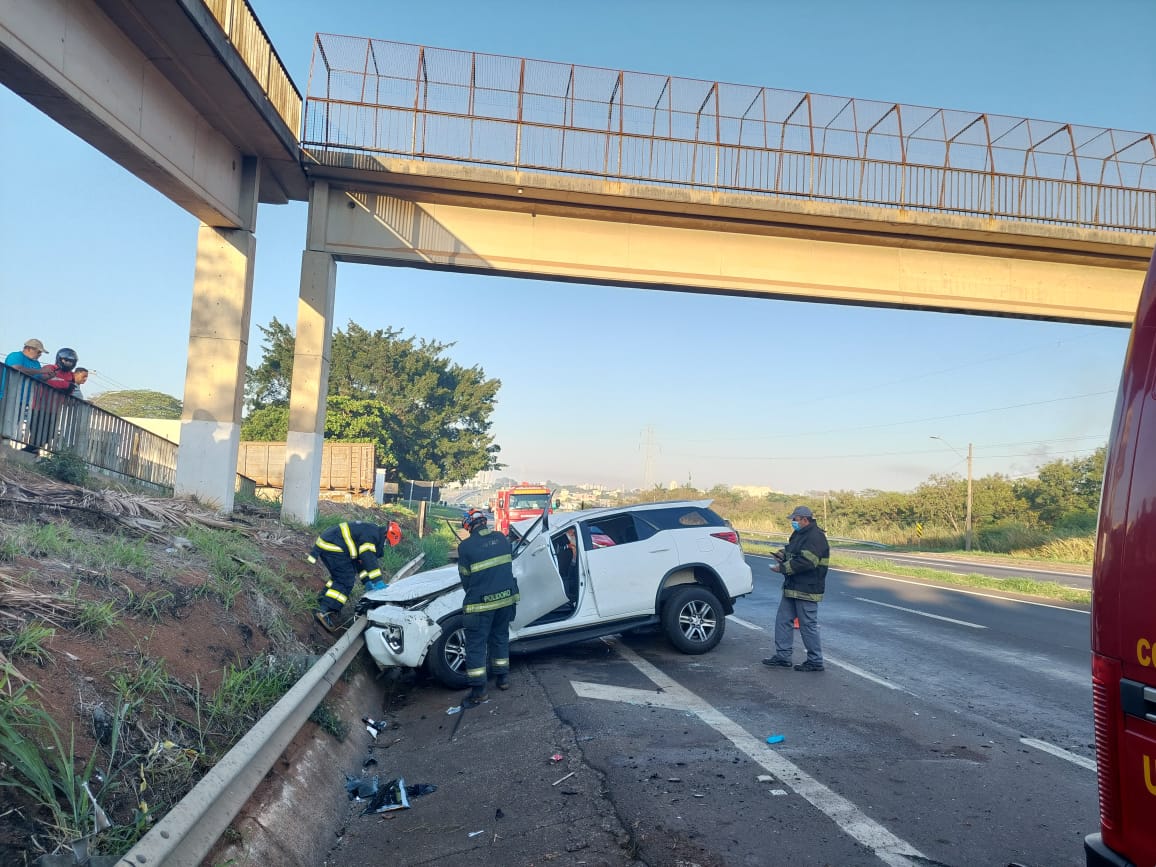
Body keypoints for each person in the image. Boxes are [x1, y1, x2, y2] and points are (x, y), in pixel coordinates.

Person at [456, 509, 519, 706]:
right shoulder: (502, 539)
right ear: (484, 521)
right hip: (506, 601)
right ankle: (502, 679)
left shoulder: (465, 547)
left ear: (468, 525)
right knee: (500, 638)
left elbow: (465, 578)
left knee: (476, 646)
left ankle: (479, 691)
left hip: (480, 606)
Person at [763, 505, 830, 672]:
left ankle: (815, 661)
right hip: (793, 586)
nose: (793, 522)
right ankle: (783, 656)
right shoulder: (799, 534)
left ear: (805, 519)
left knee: (808, 625)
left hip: (807, 588)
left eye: (795, 519)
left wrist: (783, 568)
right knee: (783, 621)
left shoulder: (815, 536)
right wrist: (782, 554)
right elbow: (793, 552)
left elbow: (808, 562)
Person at [308, 519, 402, 632]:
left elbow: (360, 562)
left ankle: (321, 601)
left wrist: (366, 581)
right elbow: (368, 559)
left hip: (330, 544)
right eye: (387, 542)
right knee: (345, 580)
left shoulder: (373, 532)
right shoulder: (372, 536)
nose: (385, 545)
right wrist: (378, 581)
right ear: (386, 536)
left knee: (339, 578)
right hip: (334, 547)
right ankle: (324, 611)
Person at [24, 347, 78, 453]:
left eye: (70, 361)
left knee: (49, 434)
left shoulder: (71, 375)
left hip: (54, 409)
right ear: (59, 359)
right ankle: (30, 451)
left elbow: (70, 390)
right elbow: (43, 379)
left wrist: (67, 388)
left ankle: (34, 450)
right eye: (65, 360)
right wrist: (64, 385)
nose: (68, 363)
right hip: (39, 406)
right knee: (36, 430)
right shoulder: (50, 368)